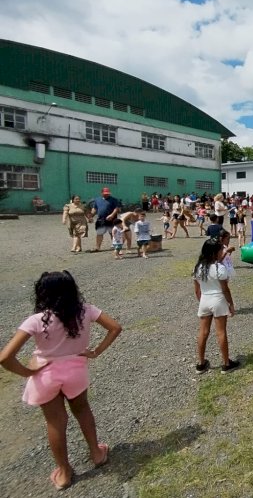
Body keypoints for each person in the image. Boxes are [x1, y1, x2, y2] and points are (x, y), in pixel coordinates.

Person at [0, 271, 122, 491]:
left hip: (46, 374)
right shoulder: (85, 311)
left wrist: (28, 372)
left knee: (56, 423)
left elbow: (5, 357)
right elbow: (115, 327)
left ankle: (64, 473)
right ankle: (96, 453)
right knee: (83, 411)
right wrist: (96, 351)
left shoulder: (37, 320)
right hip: (75, 371)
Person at [193, 239, 239, 374]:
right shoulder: (219, 268)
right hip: (218, 299)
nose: (222, 252)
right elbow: (225, 289)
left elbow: (197, 290)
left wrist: (201, 301)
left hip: (205, 300)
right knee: (221, 332)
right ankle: (226, 363)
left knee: (203, 332)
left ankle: (201, 363)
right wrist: (230, 304)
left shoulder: (198, 267)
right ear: (214, 253)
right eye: (220, 250)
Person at [89, 187, 121, 252]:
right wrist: (91, 216)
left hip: (111, 219)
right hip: (101, 220)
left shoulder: (114, 200)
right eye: (105, 193)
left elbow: (116, 208)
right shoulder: (97, 199)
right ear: (102, 193)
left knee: (112, 232)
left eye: (108, 193)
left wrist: (112, 215)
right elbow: (94, 209)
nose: (106, 194)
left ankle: (115, 245)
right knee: (99, 233)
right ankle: (98, 247)